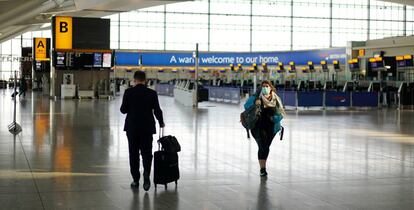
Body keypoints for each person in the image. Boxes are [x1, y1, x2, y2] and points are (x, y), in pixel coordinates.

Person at [120, 71, 165, 191]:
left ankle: (135, 179)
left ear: (134, 80)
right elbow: (157, 110)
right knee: (147, 153)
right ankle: (146, 175)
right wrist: (161, 122)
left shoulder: (128, 92)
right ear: (145, 80)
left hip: (132, 127)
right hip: (147, 127)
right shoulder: (152, 93)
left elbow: (123, 110)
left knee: (133, 153)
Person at [244, 81, 285, 177]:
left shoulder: (276, 99)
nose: (265, 88)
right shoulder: (255, 98)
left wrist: (275, 118)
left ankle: (263, 166)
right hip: (258, 126)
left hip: (271, 126)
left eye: (267, 86)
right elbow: (246, 107)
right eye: (263, 86)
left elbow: (281, 112)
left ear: (271, 88)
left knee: (266, 147)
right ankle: (262, 168)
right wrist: (255, 104)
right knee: (262, 146)